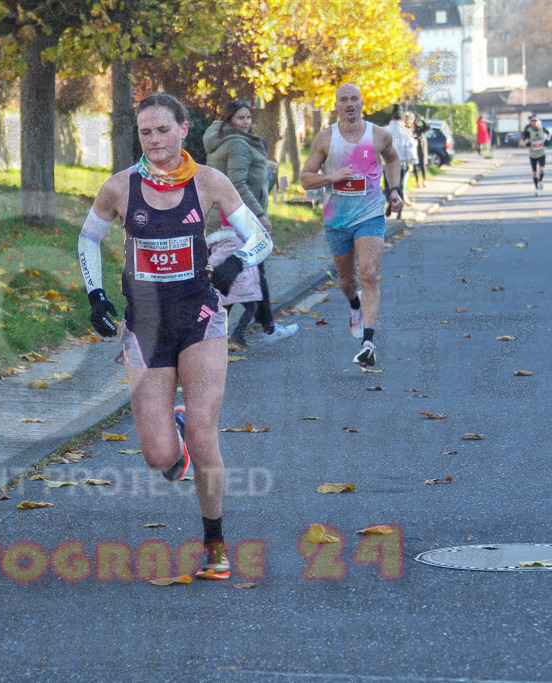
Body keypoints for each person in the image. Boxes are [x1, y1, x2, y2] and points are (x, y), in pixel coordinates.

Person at [79, 93, 274, 579]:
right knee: (159, 457)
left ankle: (215, 541)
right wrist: (96, 294)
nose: (154, 140)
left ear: (184, 130)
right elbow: (88, 238)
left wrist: (236, 262)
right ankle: (176, 431)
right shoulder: (120, 187)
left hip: (200, 317)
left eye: (163, 130)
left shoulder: (208, 181)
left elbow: (261, 238)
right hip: (145, 326)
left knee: (206, 433)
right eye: (145, 132)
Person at [299, 83, 403, 367]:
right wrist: (331, 177)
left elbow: (393, 159)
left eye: (354, 99)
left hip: (370, 214)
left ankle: (368, 342)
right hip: (337, 219)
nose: (349, 104)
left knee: (369, 274)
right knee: (347, 281)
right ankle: (354, 305)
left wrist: (395, 190)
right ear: (336, 105)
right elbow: (306, 178)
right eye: (343, 99)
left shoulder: (379, 135)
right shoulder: (325, 138)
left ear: (361, 102)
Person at [203, 99, 298, 351]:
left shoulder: (222, 140)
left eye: (248, 117)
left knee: (240, 276)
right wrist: (260, 215)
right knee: (251, 275)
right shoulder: (237, 144)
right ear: (229, 120)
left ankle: (252, 329)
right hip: (238, 219)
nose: (246, 122)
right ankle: (261, 329)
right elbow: (237, 185)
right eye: (240, 118)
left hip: (222, 218)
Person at [383, 108, 415, 219]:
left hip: (386, 163)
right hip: (401, 163)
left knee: (388, 185)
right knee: (399, 185)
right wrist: (412, 161)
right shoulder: (406, 132)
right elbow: (410, 148)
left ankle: (389, 202)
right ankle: (399, 210)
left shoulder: (385, 130)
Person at [519, 114, 549, 196]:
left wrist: (548, 140)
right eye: (532, 121)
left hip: (541, 152)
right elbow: (521, 141)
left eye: (536, 120)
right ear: (530, 122)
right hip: (533, 154)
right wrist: (526, 144)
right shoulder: (528, 130)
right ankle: (537, 188)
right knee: (534, 173)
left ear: (539, 121)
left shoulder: (542, 128)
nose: (534, 122)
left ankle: (541, 181)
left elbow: (549, 134)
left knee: (542, 169)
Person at [412, 115, 429, 188]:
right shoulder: (412, 128)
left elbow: (428, 127)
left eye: (417, 120)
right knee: (415, 165)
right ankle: (417, 181)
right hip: (414, 148)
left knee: (423, 164)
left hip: (421, 148)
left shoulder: (420, 128)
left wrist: (422, 120)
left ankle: (425, 179)